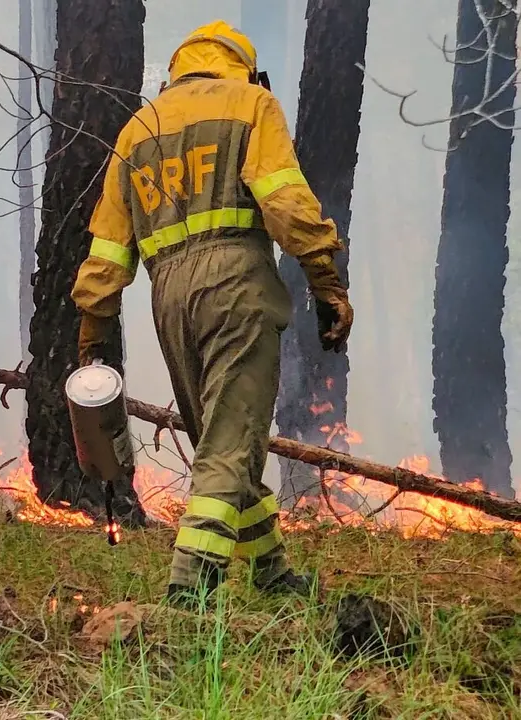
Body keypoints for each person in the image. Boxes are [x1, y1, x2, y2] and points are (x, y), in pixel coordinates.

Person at [69, 20, 353, 606]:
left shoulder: (138, 129)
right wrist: (325, 282)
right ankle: (189, 584)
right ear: (241, 67)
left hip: (168, 295)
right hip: (237, 282)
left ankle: (270, 570)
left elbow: (107, 248)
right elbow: (287, 203)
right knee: (230, 437)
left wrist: (92, 334)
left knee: (221, 435)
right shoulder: (252, 103)